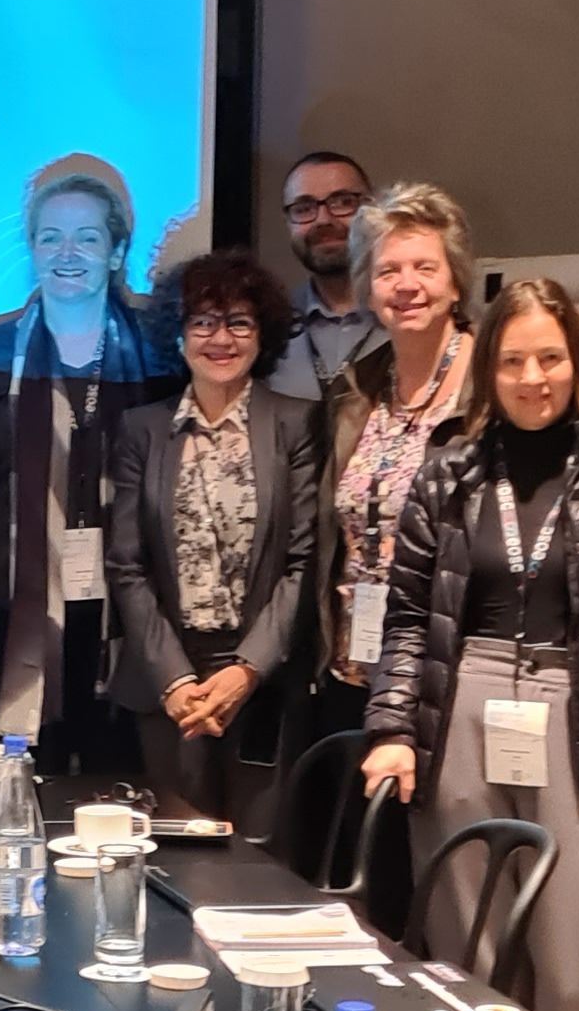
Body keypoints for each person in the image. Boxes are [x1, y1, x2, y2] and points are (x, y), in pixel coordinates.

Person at [358, 276, 579, 1011]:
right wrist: (392, 729)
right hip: (460, 707)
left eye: (549, 358)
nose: (532, 378)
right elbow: (408, 620)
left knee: (576, 962)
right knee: (466, 955)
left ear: (577, 363)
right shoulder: (447, 474)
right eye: (512, 361)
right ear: (488, 370)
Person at [0, 156, 183, 774]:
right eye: (50, 237)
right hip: (10, 617)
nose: (66, 254)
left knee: (117, 794)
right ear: (32, 248)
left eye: (87, 238)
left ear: (116, 250)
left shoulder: (159, 351)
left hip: (127, 617)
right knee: (18, 791)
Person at [102, 249, 320, 826]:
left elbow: (305, 561)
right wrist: (175, 679)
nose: (221, 339)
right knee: (178, 848)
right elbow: (127, 565)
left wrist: (247, 669)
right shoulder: (143, 429)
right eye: (202, 322)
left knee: (260, 855)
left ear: (262, 335)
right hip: (167, 681)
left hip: (262, 678)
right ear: (177, 334)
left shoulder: (296, 424)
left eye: (239, 323)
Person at [307, 182, 478, 765]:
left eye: (425, 267)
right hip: (350, 671)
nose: (407, 285)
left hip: (446, 679)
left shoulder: (489, 392)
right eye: (388, 271)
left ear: (455, 281)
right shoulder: (353, 392)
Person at [260, 150, 380, 401]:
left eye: (343, 202)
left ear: (372, 209)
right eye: (304, 208)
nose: (323, 220)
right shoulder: (268, 324)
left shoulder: (412, 314)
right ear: (288, 222)